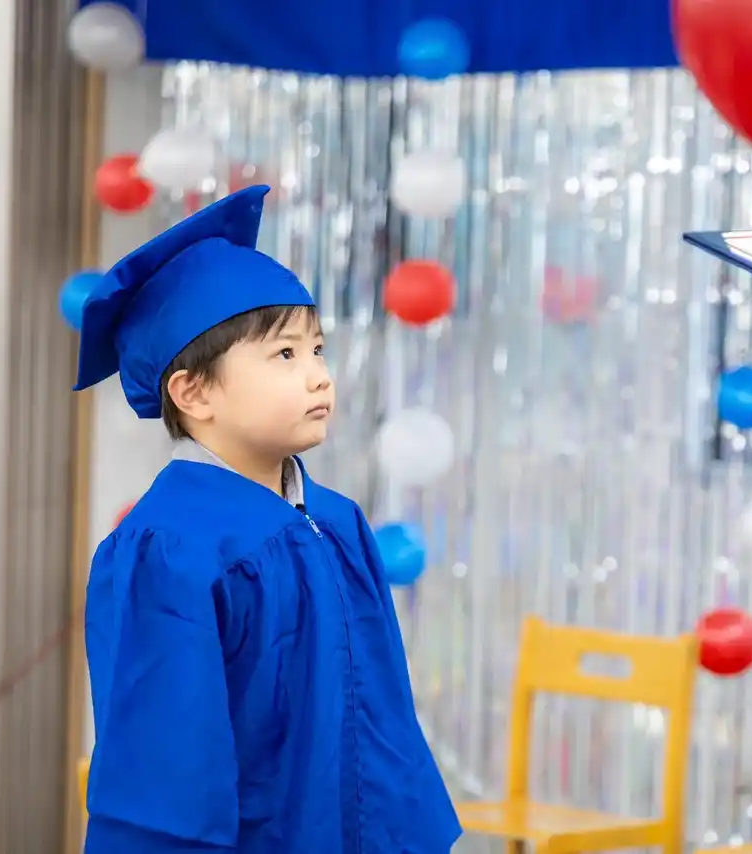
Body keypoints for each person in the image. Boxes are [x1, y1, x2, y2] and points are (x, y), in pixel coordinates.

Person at [77, 186, 460, 853]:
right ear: (193, 391)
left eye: (318, 351)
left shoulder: (337, 523)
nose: (319, 377)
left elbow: (388, 729)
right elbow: (164, 779)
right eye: (285, 355)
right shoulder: (169, 551)